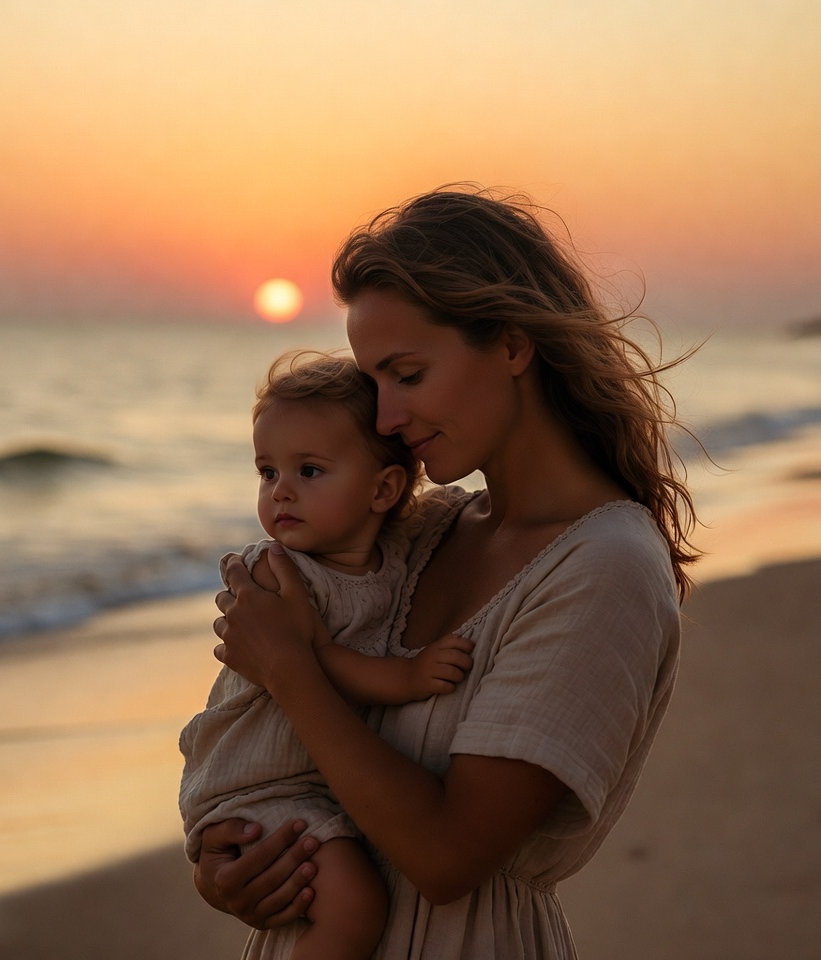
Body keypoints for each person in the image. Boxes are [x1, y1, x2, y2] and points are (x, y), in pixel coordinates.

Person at [196, 185, 700, 959]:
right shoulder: (424, 530)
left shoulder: (607, 567)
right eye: (373, 385)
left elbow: (447, 856)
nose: (386, 419)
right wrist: (237, 863)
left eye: (407, 374)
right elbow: (299, 762)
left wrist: (291, 666)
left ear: (509, 344)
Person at [179, 350, 475, 960]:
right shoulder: (281, 572)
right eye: (267, 472)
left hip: (300, 784)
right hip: (255, 783)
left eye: (308, 471)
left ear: (384, 490)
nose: (280, 491)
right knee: (355, 906)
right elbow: (314, 662)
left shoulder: (394, 552)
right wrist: (407, 677)